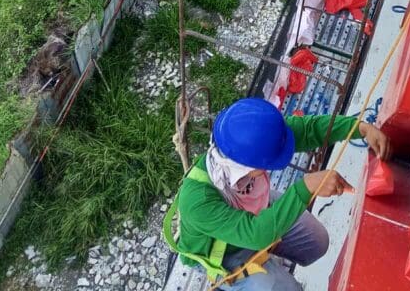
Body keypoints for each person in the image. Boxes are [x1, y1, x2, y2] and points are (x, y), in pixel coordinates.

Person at [166, 97, 390, 289]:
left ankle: (271, 252)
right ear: (250, 166)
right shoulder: (198, 201)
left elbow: (309, 130)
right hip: (223, 250)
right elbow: (255, 234)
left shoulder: (248, 146)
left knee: (317, 243)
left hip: (255, 208)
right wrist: (306, 188)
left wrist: (359, 128)